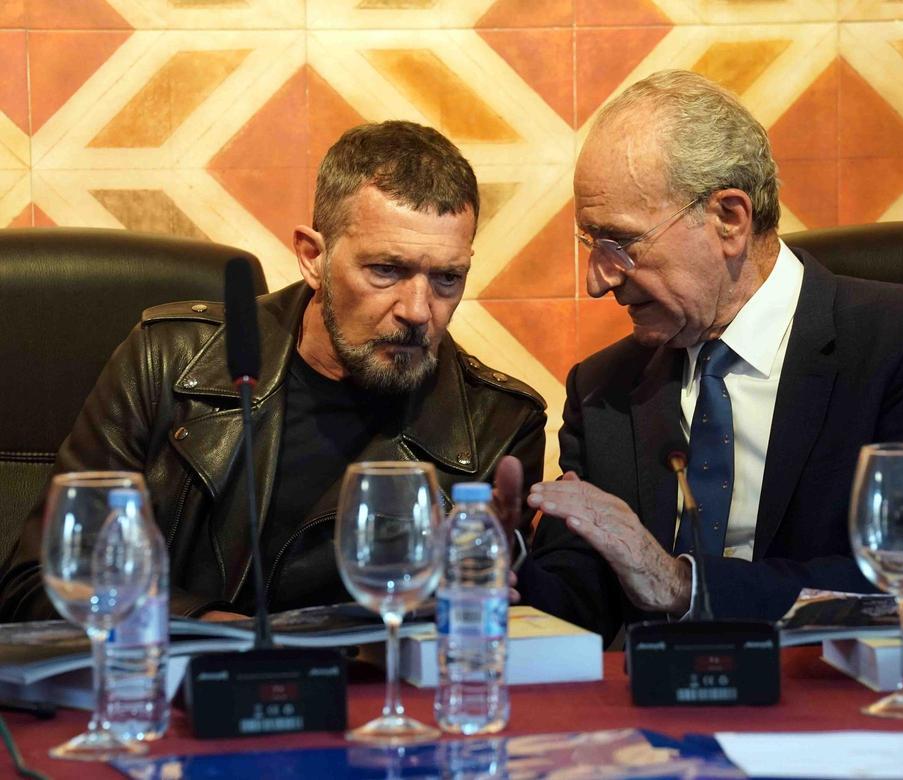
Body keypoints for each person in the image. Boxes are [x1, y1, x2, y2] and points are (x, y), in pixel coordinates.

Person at [511, 71, 903, 645]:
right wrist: (504, 569)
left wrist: (684, 585)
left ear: (729, 219)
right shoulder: (603, 391)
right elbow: (581, 601)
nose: (599, 281)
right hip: (659, 713)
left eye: (621, 244)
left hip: (841, 705)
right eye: (592, 246)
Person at [0, 121, 546, 622]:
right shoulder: (168, 361)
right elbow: (37, 585)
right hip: (166, 697)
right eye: (387, 270)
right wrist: (216, 634)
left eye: (447, 278)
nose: (418, 310)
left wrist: (480, 596)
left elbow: (482, 623)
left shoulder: (496, 425)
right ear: (313, 257)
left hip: (361, 706)